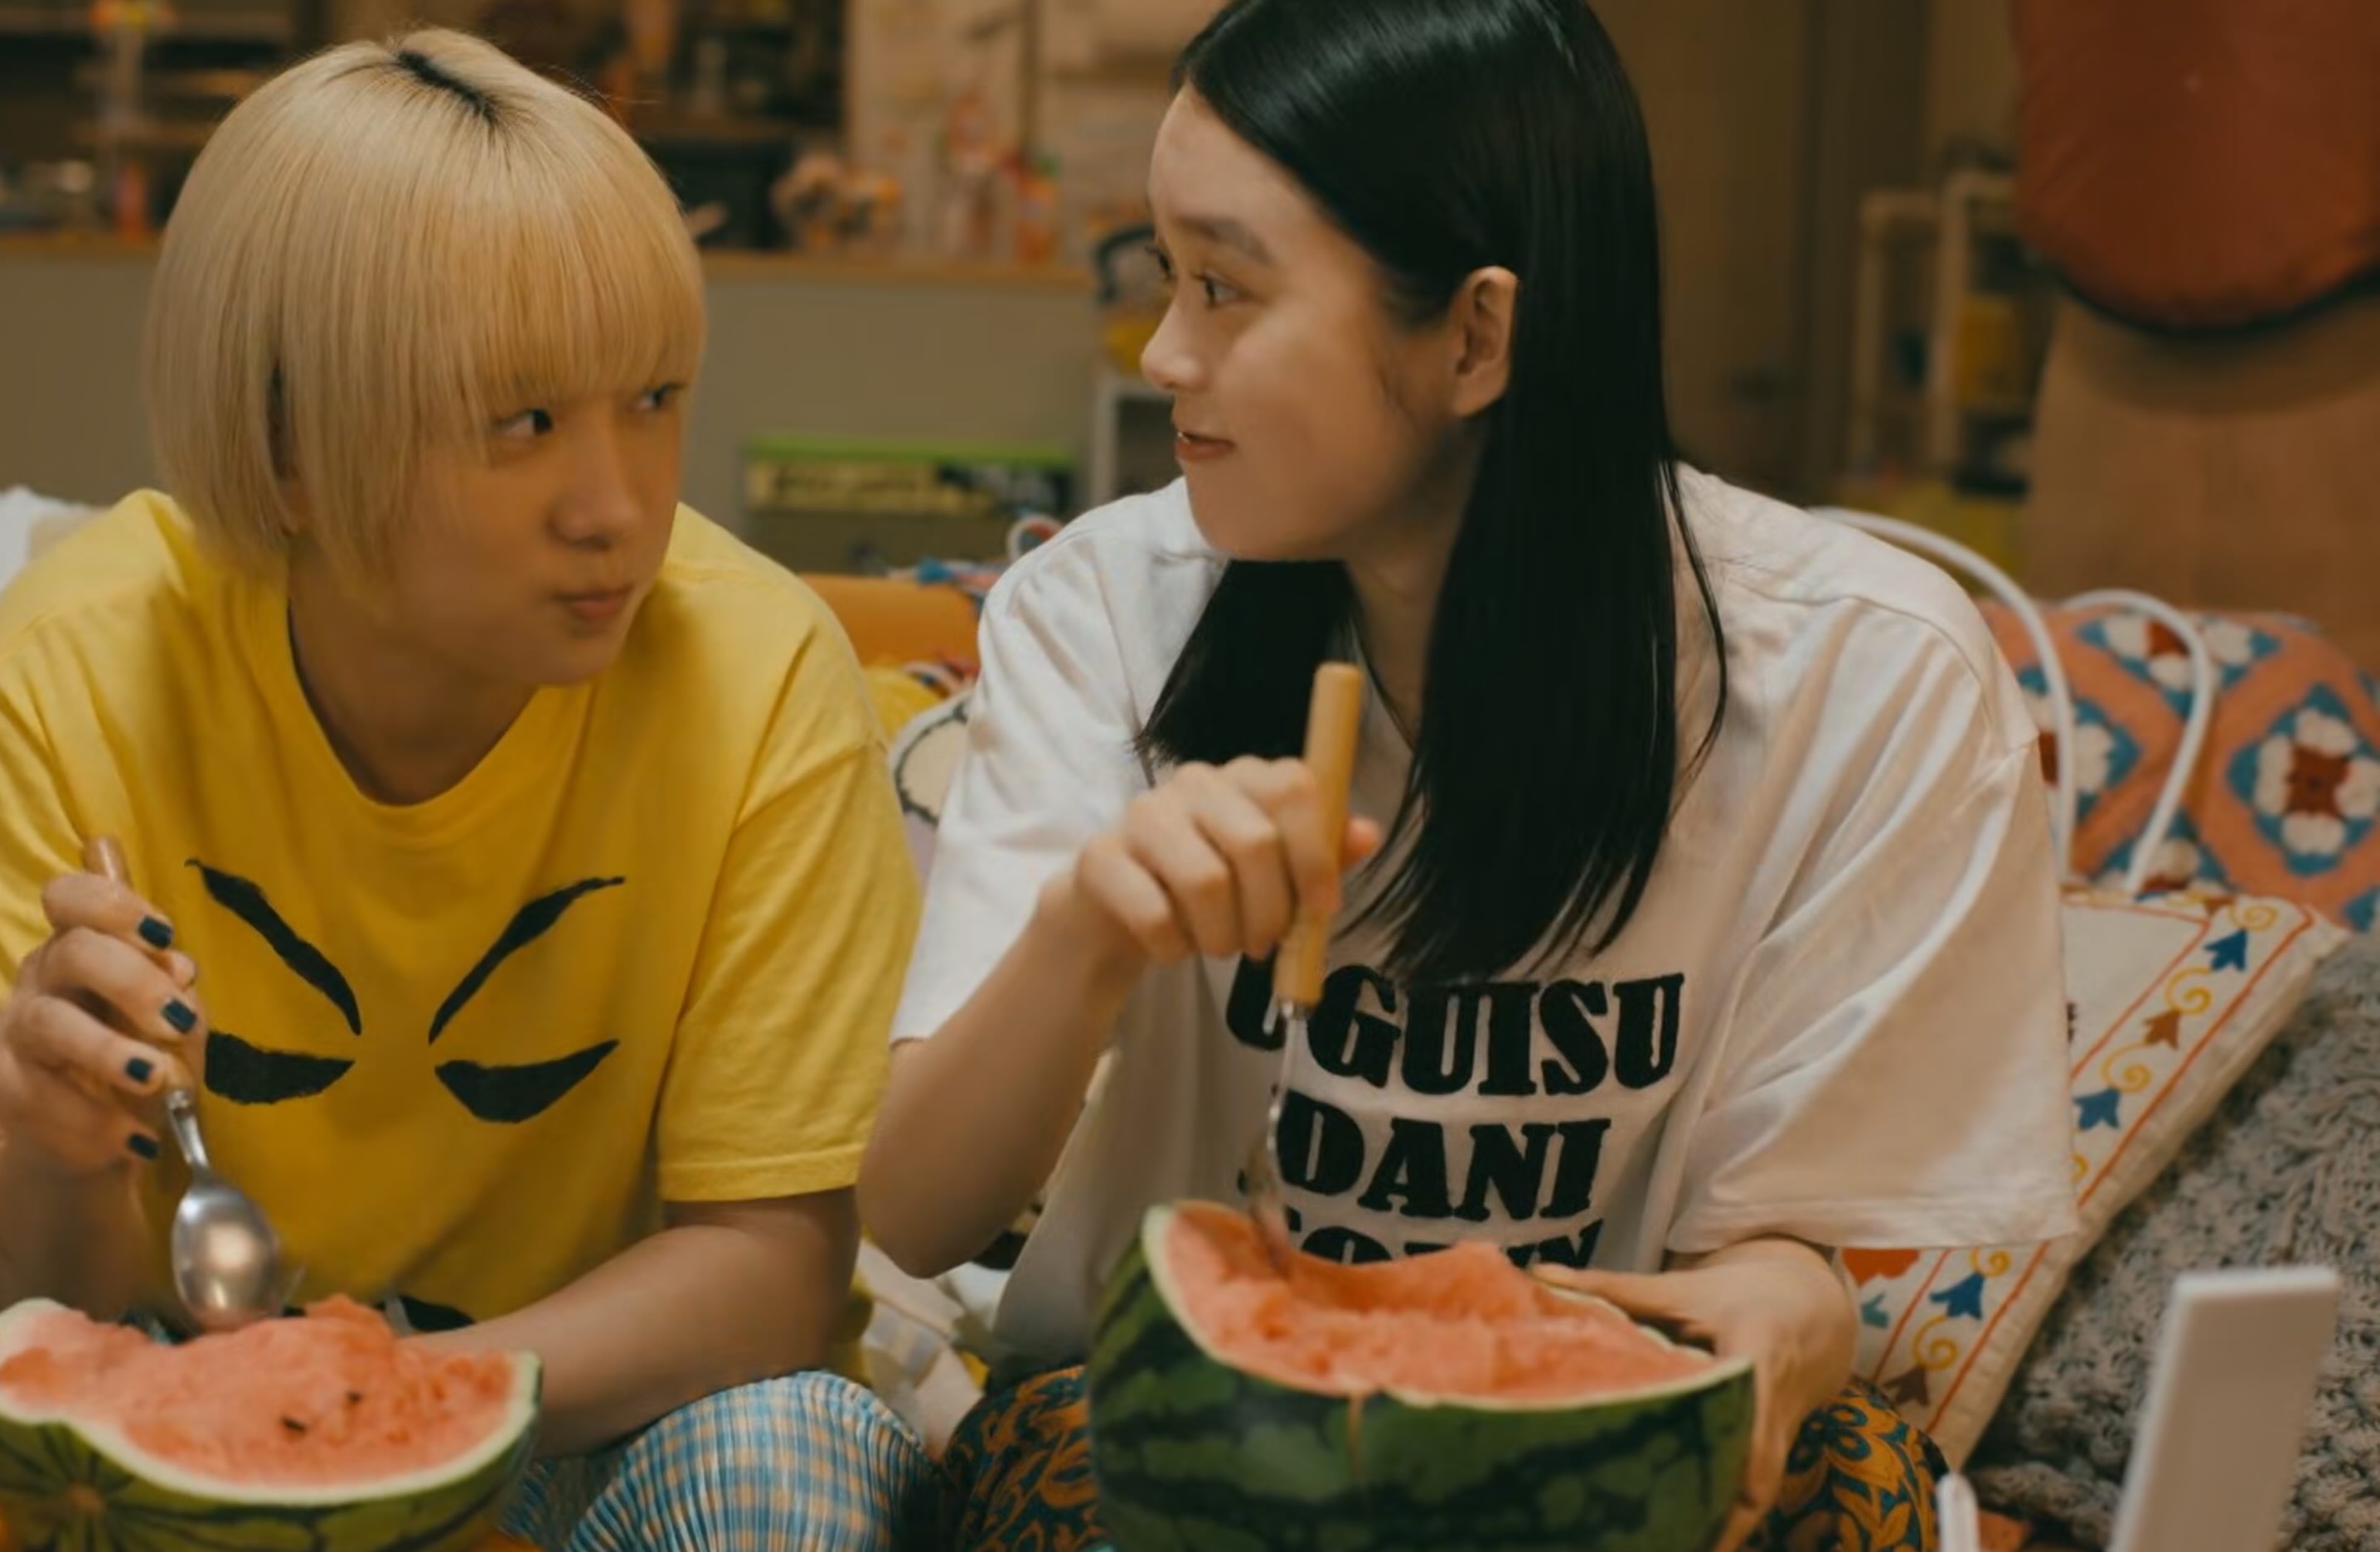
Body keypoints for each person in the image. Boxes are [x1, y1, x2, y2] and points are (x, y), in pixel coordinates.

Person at [858, 2, 2076, 1549]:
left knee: (1866, 1498)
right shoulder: (1104, 612)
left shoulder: (1871, 676)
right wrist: (1086, 934)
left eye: (1224, 286)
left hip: (1612, 1450)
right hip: (1168, 1439)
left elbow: (1783, 1259)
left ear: (1476, 336)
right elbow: (914, 1213)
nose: (1164, 352)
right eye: (1166, 275)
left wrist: (1784, 1319)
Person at [0, 31, 930, 1549]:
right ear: (289, 449)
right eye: (525, 423)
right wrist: (55, 1148)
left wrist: (369, 1406)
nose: (617, 506)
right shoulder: (77, 659)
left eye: (654, 397)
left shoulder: (767, 680)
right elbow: (15, 1297)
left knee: (792, 1463)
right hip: (172, 1401)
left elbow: (770, 1269)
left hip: (588, 1416)